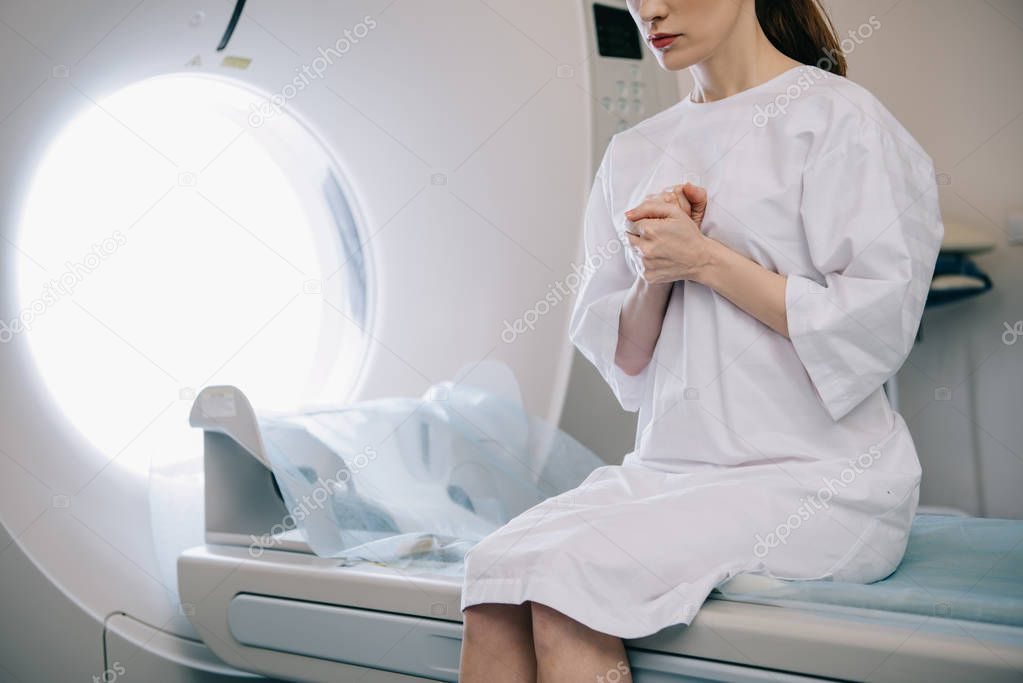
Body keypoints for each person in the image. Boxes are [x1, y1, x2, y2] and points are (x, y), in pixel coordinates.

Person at [459, 1, 943, 680]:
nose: (648, 10)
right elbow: (625, 357)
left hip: (813, 477)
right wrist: (655, 274)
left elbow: (871, 326)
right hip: (672, 469)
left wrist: (704, 259)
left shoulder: (837, 118)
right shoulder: (634, 151)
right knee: (494, 573)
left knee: (568, 581)